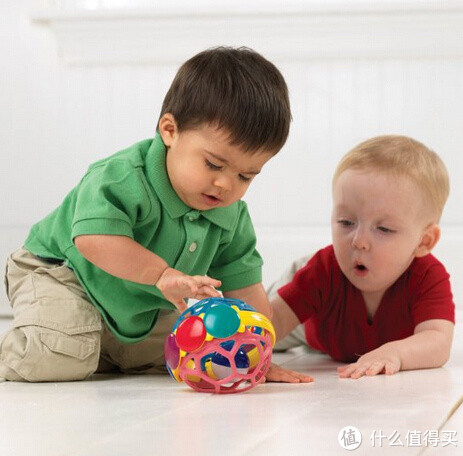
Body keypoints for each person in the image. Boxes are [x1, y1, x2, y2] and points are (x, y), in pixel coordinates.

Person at [0, 46, 291, 382]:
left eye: (246, 176)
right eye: (213, 164)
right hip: (63, 275)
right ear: (170, 130)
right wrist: (161, 275)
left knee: (186, 355)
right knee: (53, 358)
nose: (226, 184)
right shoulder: (123, 176)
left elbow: (247, 289)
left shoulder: (230, 215)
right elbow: (93, 240)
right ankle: (57, 342)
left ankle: (96, 347)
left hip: (138, 309)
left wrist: (260, 353)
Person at [266, 135, 455, 382]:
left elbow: (437, 342)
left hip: (342, 335)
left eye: (384, 229)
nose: (359, 241)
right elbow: (273, 319)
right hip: (308, 322)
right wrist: (248, 352)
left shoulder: (427, 276)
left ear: (424, 241)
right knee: (260, 323)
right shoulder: (322, 270)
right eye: (346, 222)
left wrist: (396, 353)